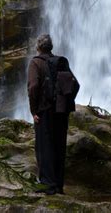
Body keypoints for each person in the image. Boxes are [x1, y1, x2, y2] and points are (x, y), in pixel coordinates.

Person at [27, 34, 79, 195]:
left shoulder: (35, 63)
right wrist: (67, 102)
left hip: (45, 111)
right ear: (51, 47)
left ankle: (47, 185)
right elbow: (75, 84)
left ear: (38, 47)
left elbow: (33, 87)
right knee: (59, 146)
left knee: (44, 147)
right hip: (61, 111)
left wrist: (34, 111)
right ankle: (58, 185)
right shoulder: (61, 62)